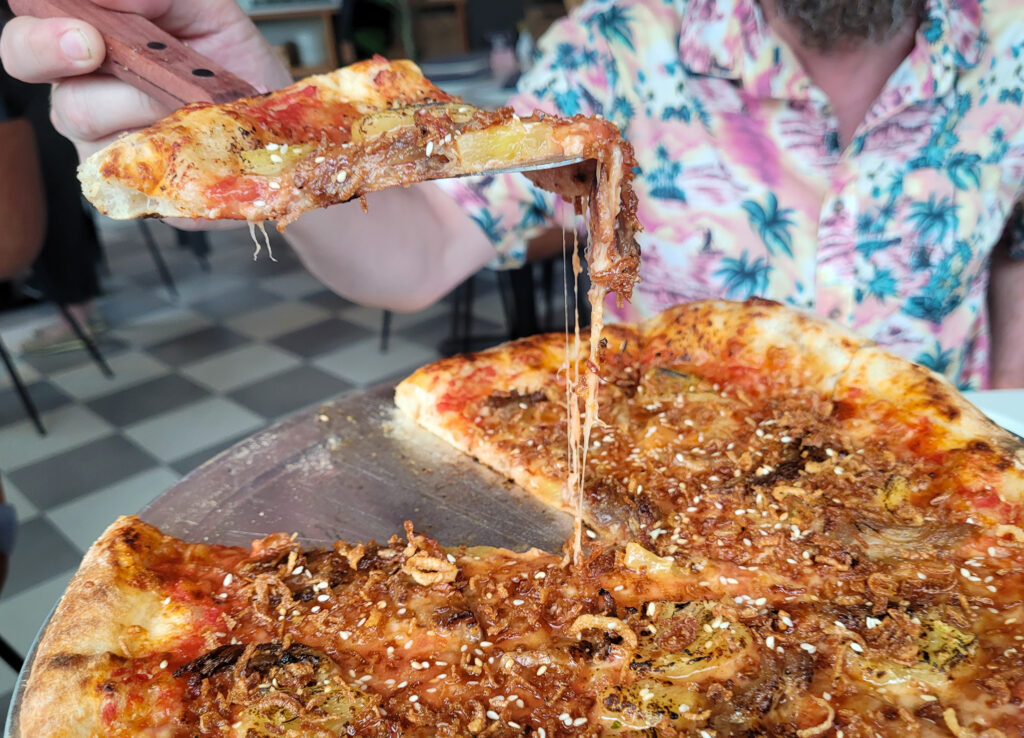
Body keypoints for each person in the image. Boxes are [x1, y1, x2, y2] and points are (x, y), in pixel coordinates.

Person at [1, 0, 1021, 388]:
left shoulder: (1013, 54)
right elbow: (425, 254)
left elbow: (1010, 267)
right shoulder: (619, 45)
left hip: (941, 486)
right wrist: (278, 132)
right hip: (666, 511)